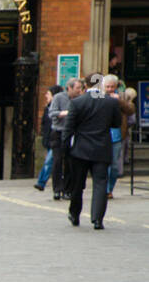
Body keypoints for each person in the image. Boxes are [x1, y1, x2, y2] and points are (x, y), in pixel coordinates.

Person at [64, 74, 133, 230]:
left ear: (85, 86)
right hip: (102, 148)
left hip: (80, 150)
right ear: (101, 85)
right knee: (101, 184)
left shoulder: (77, 103)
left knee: (77, 184)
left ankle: (74, 214)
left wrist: (65, 150)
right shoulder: (111, 103)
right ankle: (97, 220)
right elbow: (116, 123)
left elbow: (68, 129)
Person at [104, 76, 130, 199]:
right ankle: (103, 189)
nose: (109, 89)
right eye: (107, 87)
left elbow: (131, 110)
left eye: (112, 87)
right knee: (103, 165)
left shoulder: (122, 96)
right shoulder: (99, 97)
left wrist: (119, 101)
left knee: (114, 165)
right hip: (102, 135)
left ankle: (109, 188)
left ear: (116, 87)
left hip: (117, 136)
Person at [34, 85, 60, 193]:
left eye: (48, 94)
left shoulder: (57, 108)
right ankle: (42, 182)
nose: (46, 96)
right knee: (50, 162)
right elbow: (44, 126)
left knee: (49, 162)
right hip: (50, 140)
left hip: (56, 139)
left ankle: (41, 182)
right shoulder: (47, 108)